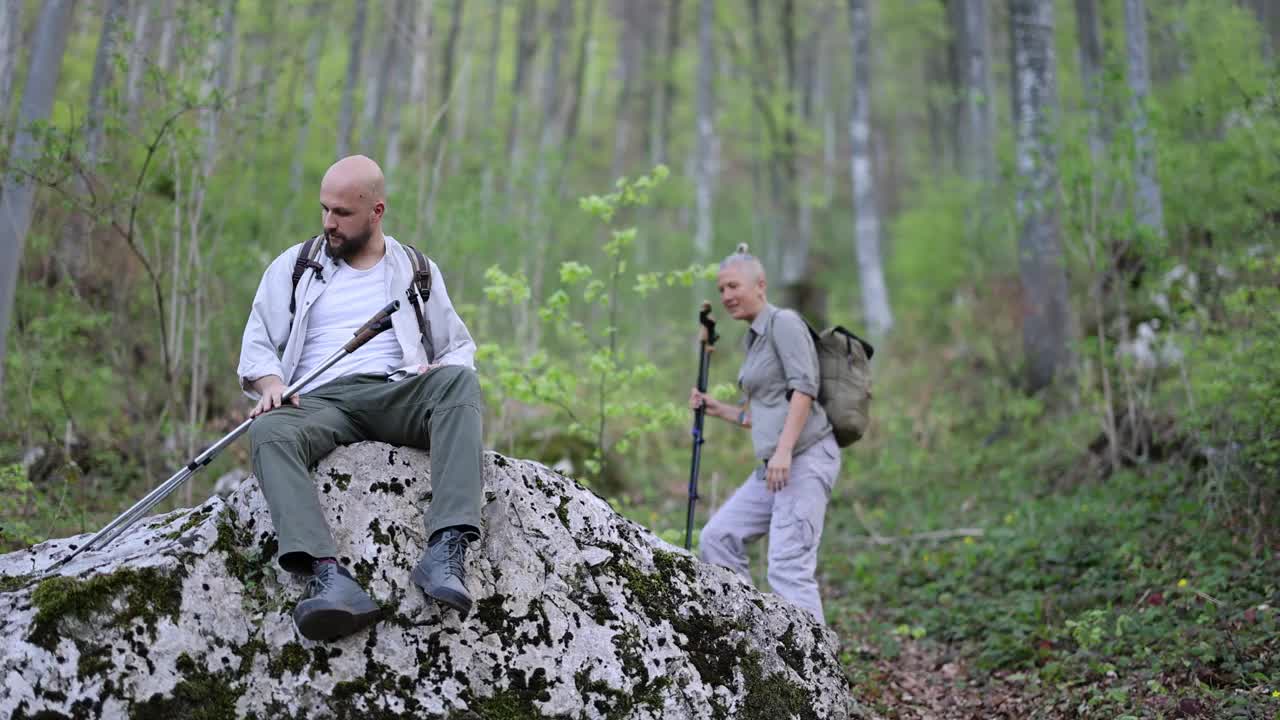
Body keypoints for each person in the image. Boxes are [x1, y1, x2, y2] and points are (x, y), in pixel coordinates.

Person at [237, 155, 485, 642]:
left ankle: (445, 549)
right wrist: (270, 385)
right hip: (319, 401)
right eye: (324, 210)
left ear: (376, 210)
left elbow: (457, 346)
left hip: (397, 391)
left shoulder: (415, 268)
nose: (329, 222)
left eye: (342, 214)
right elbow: (258, 342)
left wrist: (442, 368)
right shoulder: (296, 265)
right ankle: (328, 578)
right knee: (267, 430)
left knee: (461, 384)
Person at [688, 243, 841, 624]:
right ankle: (753, 636)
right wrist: (716, 407)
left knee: (788, 567)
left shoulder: (784, 323)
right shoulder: (753, 338)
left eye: (734, 287)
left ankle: (816, 676)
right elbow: (765, 412)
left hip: (804, 458)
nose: (726, 296)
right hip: (775, 464)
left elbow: (804, 389)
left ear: (760, 285)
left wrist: (785, 452)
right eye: (722, 289)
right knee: (718, 538)